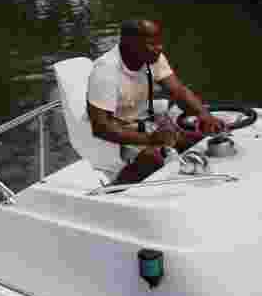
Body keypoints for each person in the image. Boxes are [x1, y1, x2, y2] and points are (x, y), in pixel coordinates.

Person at [86, 19, 225, 185]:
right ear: (130, 44)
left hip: (144, 122)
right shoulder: (106, 72)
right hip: (113, 132)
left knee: (195, 140)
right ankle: (116, 191)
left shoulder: (151, 57)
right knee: (154, 158)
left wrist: (204, 115)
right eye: (152, 43)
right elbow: (101, 128)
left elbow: (178, 91)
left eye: (159, 42)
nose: (160, 48)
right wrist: (151, 139)